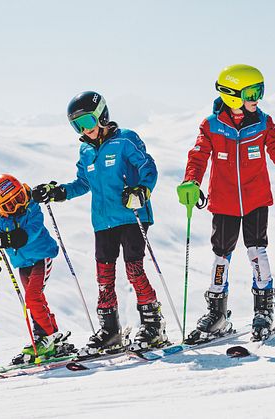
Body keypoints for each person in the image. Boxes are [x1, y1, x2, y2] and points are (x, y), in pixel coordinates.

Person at [32, 91, 167, 353]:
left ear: (102, 115)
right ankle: (109, 330)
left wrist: (142, 189)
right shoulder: (85, 150)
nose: (85, 130)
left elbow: (148, 168)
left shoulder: (125, 139)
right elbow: (83, 183)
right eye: (78, 126)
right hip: (102, 222)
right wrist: (58, 192)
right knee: (103, 277)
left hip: (132, 214)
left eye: (87, 122)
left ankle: (152, 325)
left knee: (133, 269)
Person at [178, 64, 275, 343]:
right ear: (233, 95)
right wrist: (191, 181)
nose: (257, 98)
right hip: (224, 201)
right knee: (221, 254)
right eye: (251, 92)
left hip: (256, 197)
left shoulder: (263, 122)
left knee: (256, 250)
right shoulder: (211, 125)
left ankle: (264, 309)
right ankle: (217, 312)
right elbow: (198, 156)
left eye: (260, 90)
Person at [0, 174, 65, 362]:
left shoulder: (32, 208)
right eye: (10, 205)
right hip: (23, 263)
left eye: (19, 199)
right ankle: (52, 334)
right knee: (35, 300)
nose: (18, 206)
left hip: (42, 256)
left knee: (32, 298)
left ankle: (46, 337)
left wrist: (9, 239)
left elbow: (31, 232)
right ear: (1, 209)